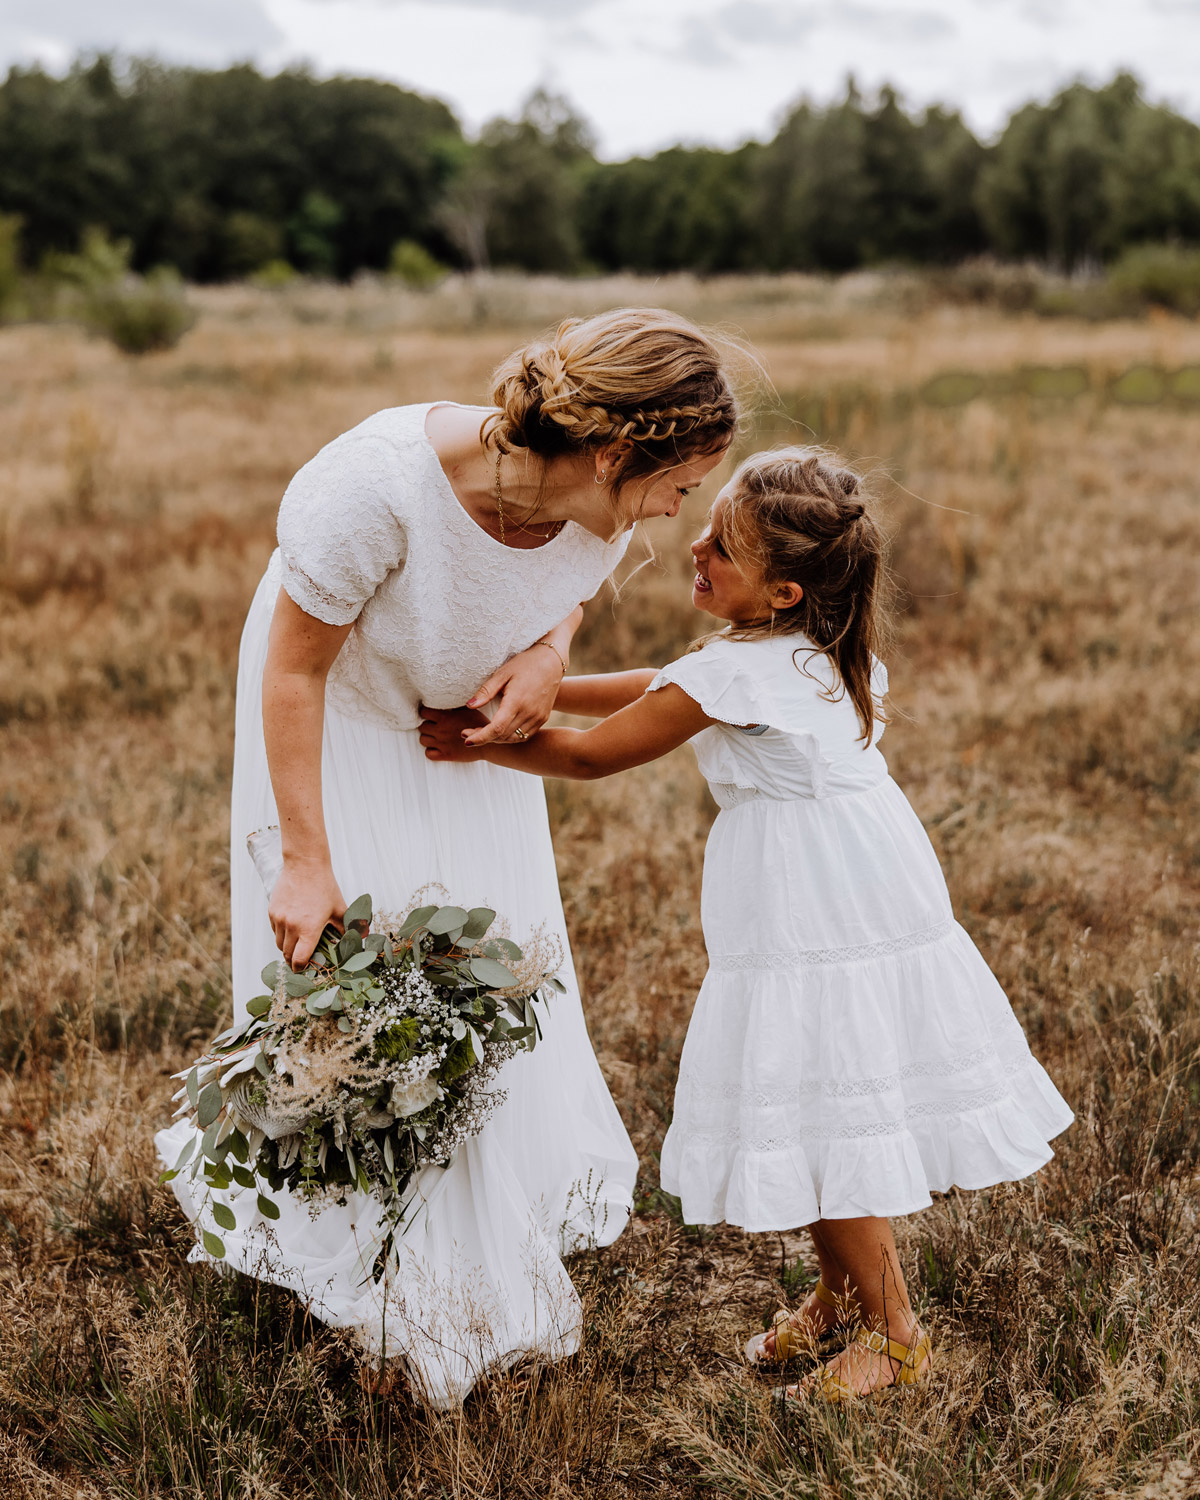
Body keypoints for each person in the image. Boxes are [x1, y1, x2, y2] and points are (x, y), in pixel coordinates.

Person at [155, 307, 738, 1408]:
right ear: (614, 454)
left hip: (460, 724)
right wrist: (305, 858)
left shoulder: (596, 506)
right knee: (366, 987)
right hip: (342, 721)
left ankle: (477, 1230)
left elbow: (570, 586)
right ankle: (369, 1267)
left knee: (490, 966)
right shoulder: (371, 489)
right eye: (678, 484)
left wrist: (545, 653)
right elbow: (292, 675)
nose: (679, 512)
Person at [420, 445, 1074, 1402]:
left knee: (829, 1103)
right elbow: (659, 681)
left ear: (782, 594)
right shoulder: (796, 652)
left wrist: (479, 741)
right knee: (813, 1093)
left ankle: (893, 1334)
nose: (696, 546)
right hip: (849, 881)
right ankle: (839, 1298)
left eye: (721, 545)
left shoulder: (750, 674)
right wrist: (545, 685)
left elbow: (600, 757)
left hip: (819, 907)